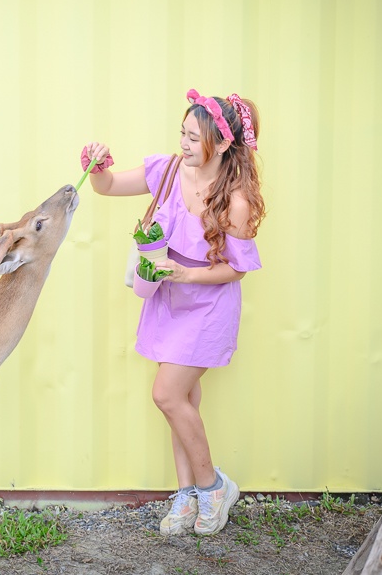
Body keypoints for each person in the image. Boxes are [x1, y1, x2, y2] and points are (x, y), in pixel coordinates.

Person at [81, 88, 265, 536]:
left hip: (206, 306)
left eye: (193, 137)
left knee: (166, 394)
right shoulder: (166, 171)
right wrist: (96, 163)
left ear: (222, 145)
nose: (182, 144)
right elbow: (106, 186)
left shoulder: (235, 201)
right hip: (168, 301)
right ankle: (187, 496)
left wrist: (183, 274)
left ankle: (213, 485)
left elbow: (235, 270)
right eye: (180, 133)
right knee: (184, 401)